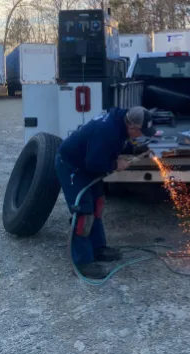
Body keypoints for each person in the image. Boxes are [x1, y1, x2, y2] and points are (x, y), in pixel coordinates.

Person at [55, 106, 156, 279]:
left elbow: (114, 146)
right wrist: (116, 165)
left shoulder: (121, 122)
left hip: (87, 165)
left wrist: (135, 150)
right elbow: (94, 163)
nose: (141, 135)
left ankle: (98, 248)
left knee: (97, 204)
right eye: (142, 132)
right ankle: (82, 262)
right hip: (73, 167)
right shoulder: (107, 130)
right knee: (83, 213)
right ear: (132, 127)